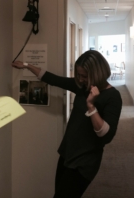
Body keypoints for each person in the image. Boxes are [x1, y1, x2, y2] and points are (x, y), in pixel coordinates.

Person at [12, 50, 122, 198]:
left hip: (85, 162)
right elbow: (53, 79)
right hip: (67, 154)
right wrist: (26, 65)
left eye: (84, 76)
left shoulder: (113, 96)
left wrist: (91, 106)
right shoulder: (82, 87)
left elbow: (106, 135)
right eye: (79, 75)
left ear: (98, 73)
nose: (81, 79)